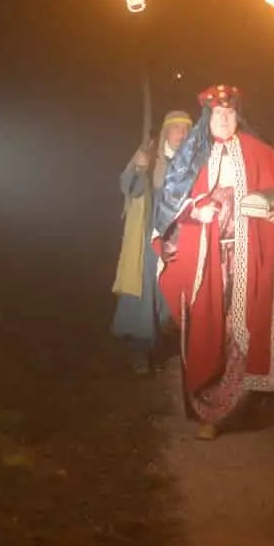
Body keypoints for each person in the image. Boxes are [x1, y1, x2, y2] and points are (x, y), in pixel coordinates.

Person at [155, 84, 274, 441]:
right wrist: (197, 209)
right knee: (205, 329)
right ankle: (206, 409)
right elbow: (169, 204)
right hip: (204, 261)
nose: (223, 121)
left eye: (229, 114)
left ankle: (235, 407)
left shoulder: (258, 151)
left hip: (245, 256)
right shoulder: (192, 156)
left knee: (242, 329)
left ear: (237, 115)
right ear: (207, 117)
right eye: (217, 115)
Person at [111, 110, 194, 375]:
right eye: (176, 128)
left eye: (186, 129)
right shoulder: (148, 155)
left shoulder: (193, 161)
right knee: (144, 293)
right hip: (149, 235)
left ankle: (171, 348)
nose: (181, 134)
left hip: (180, 235)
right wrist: (138, 168)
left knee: (173, 294)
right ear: (166, 131)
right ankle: (141, 353)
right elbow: (130, 188)